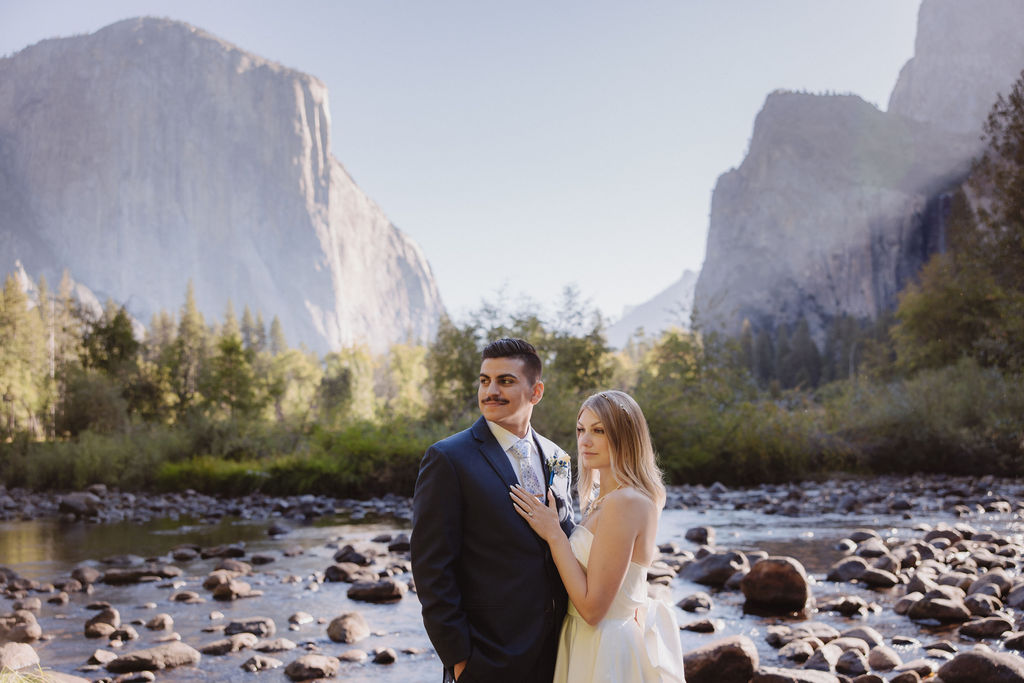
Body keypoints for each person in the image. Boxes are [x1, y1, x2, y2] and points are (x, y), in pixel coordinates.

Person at [412, 338, 576, 682]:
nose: (490, 391)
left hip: (560, 654)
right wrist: (458, 658)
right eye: (485, 380)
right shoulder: (448, 459)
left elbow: (567, 542)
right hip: (486, 659)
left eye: (505, 381)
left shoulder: (559, 458)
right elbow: (431, 568)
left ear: (537, 391)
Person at [510, 389, 685, 682]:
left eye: (599, 431)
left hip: (604, 649)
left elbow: (593, 609)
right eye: (581, 430)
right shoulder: (604, 500)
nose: (585, 440)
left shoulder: (624, 502)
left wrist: (554, 534)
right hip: (587, 639)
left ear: (626, 437)